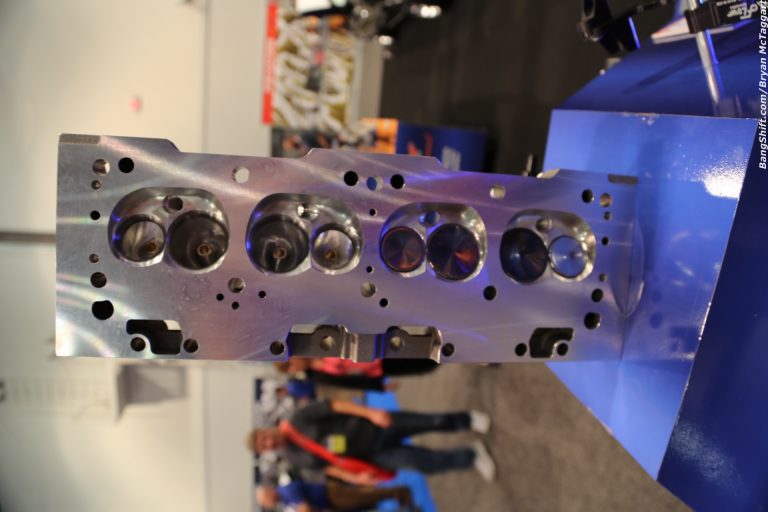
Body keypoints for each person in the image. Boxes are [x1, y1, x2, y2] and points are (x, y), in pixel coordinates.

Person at [247, 399, 496, 484]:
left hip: (373, 426)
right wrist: (356, 478)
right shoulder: (292, 458)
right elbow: (327, 468)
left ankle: (467, 419)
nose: (268, 443)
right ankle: (472, 456)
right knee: (425, 463)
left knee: (431, 421)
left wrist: (371, 413)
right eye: (263, 447)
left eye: (263, 438)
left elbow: (334, 406)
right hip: (373, 456)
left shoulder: (297, 419)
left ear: (266, 430)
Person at [275, 357, 438, 393]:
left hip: (380, 350)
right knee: (423, 366)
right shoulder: (314, 375)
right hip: (377, 368)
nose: (293, 369)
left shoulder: (316, 343)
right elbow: (349, 383)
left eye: (290, 364)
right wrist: (379, 386)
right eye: (289, 370)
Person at [256, 480, 414, 512]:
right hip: (329, 501)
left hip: (331, 494)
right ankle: (398, 496)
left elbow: (305, 508)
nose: (269, 504)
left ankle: (400, 492)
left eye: (266, 500)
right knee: (364, 502)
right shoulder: (284, 500)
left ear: (269, 492)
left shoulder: (286, 492)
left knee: (364, 497)